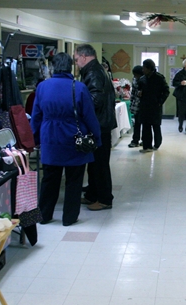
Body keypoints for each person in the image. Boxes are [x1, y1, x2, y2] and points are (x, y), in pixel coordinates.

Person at [30, 52, 101, 226]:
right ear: (70, 67)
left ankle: (44, 215)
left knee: (49, 179)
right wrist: (97, 138)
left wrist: (35, 138)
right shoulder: (79, 88)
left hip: (50, 137)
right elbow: (89, 117)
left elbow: (36, 116)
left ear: (53, 67)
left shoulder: (42, 87)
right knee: (74, 181)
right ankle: (69, 218)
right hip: (73, 138)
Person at [76, 44, 117, 211]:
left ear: (84, 57)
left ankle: (105, 199)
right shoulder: (97, 70)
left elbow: (95, 99)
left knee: (99, 165)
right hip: (100, 123)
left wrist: (77, 107)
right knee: (94, 164)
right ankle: (92, 194)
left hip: (99, 125)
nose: (77, 63)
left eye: (77, 59)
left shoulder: (93, 72)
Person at [137, 59, 169, 153]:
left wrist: (160, 102)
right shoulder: (142, 79)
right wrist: (139, 93)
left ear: (149, 68)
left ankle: (157, 143)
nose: (142, 69)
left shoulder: (159, 78)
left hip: (155, 106)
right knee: (146, 127)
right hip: (144, 106)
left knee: (156, 126)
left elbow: (166, 91)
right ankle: (147, 146)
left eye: (144, 68)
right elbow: (139, 90)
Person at [128, 65, 144, 148]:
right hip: (136, 105)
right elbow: (133, 93)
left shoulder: (145, 79)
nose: (135, 76)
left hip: (144, 105)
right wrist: (132, 103)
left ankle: (144, 140)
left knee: (145, 124)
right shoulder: (134, 80)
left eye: (136, 74)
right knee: (137, 124)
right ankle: (135, 140)